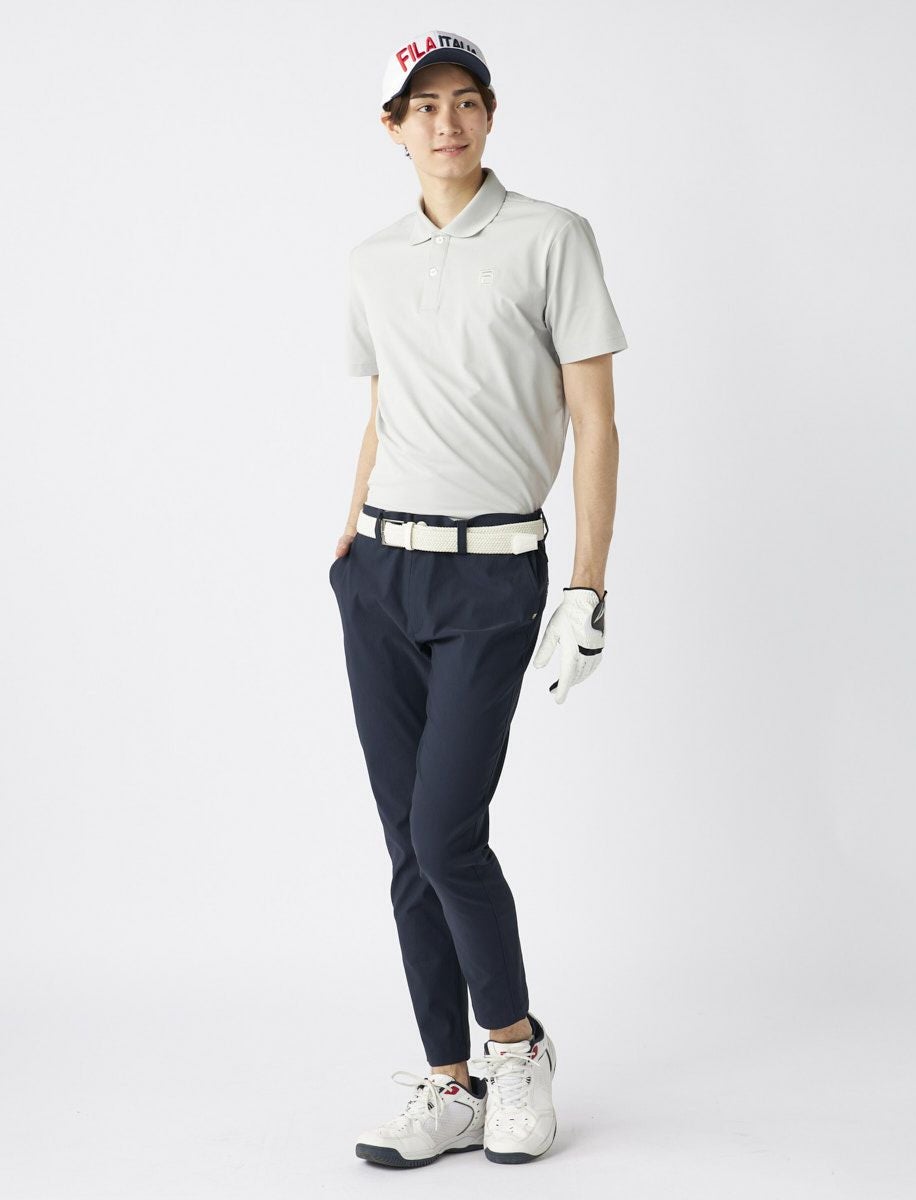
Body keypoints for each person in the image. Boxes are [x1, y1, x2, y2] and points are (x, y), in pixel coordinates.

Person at [329, 28, 628, 1169]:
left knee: (446, 831)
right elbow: (386, 408)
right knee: (406, 845)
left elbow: (594, 420)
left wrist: (588, 585)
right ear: (394, 128)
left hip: (492, 572)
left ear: (489, 116)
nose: (446, 121)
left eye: (465, 101)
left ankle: (515, 1048)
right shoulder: (371, 259)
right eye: (424, 106)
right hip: (380, 572)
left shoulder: (553, 238)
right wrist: (347, 541)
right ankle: (447, 1083)